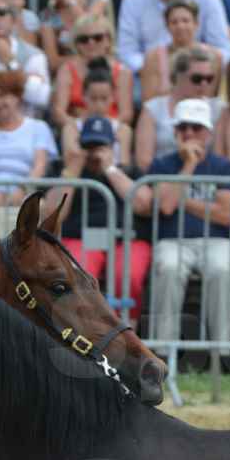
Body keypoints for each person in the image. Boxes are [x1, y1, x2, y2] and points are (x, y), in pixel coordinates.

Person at [132, 97, 230, 361]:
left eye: (196, 128)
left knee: (222, 269)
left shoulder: (224, 166)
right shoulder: (161, 165)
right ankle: (163, 353)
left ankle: (220, 354)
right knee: (168, 268)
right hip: (172, 240)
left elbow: (225, 215)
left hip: (215, 240)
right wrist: (189, 165)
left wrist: (184, 199)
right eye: (183, 128)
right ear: (175, 132)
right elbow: (167, 207)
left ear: (208, 132)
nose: (189, 133)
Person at [45, 116, 148, 317]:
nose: (94, 153)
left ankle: (126, 335)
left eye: (100, 146)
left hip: (125, 240)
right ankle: (85, 334)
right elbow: (51, 215)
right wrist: (72, 171)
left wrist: (110, 169)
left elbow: (143, 205)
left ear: (112, 146)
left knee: (128, 275)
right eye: (89, 146)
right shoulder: (68, 171)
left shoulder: (129, 170)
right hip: (81, 239)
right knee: (78, 275)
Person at [0, 70, 58, 208]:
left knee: (35, 207)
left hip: (27, 191)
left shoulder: (39, 128)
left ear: (17, 96)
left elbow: (39, 167)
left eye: (2, 95)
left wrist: (21, 190)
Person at [118, 0, 230, 72]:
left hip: (198, 75)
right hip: (147, 74)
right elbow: (127, 52)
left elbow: (223, 51)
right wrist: (155, 68)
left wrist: (197, 68)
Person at [134, 47, 224, 171]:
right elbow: (143, 161)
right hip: (162, 178)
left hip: (206, 180)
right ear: (177, 77)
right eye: (197, 79)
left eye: (209, 79)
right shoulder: (153, 109)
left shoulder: (218, 109)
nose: (204, 84)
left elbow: (222, 158)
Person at [49, 15, 133, 128]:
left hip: (112, 131)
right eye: (84, 39)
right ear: (77, 44)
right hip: (76, 130)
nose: (91, 43)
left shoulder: (123, 72)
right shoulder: (67, 70)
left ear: (108, 40)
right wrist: (80, 126)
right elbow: (59, 112)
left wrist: (103, 127)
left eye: (98, 37)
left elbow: (126, 114)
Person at [60, 63, 134, 166]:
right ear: (84, 97)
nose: (99, 105)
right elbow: (69, 164)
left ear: (113, 97)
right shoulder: (71, 129)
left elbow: (124, 165)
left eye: (104, 98)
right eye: (93, 98)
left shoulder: (123, 130)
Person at [37, 0, 111, 71]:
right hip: (69, 73)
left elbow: (90, 29)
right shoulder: (47, 15)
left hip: (101, 71)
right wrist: (89, 58)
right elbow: (53, 62)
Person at [140, 0, 202, 102]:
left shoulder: (213, 56)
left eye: (185, 21)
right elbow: (149, 101)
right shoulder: (152, 57)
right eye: (174, 22)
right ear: (167, 26)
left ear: (196, 23)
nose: (180, 26)